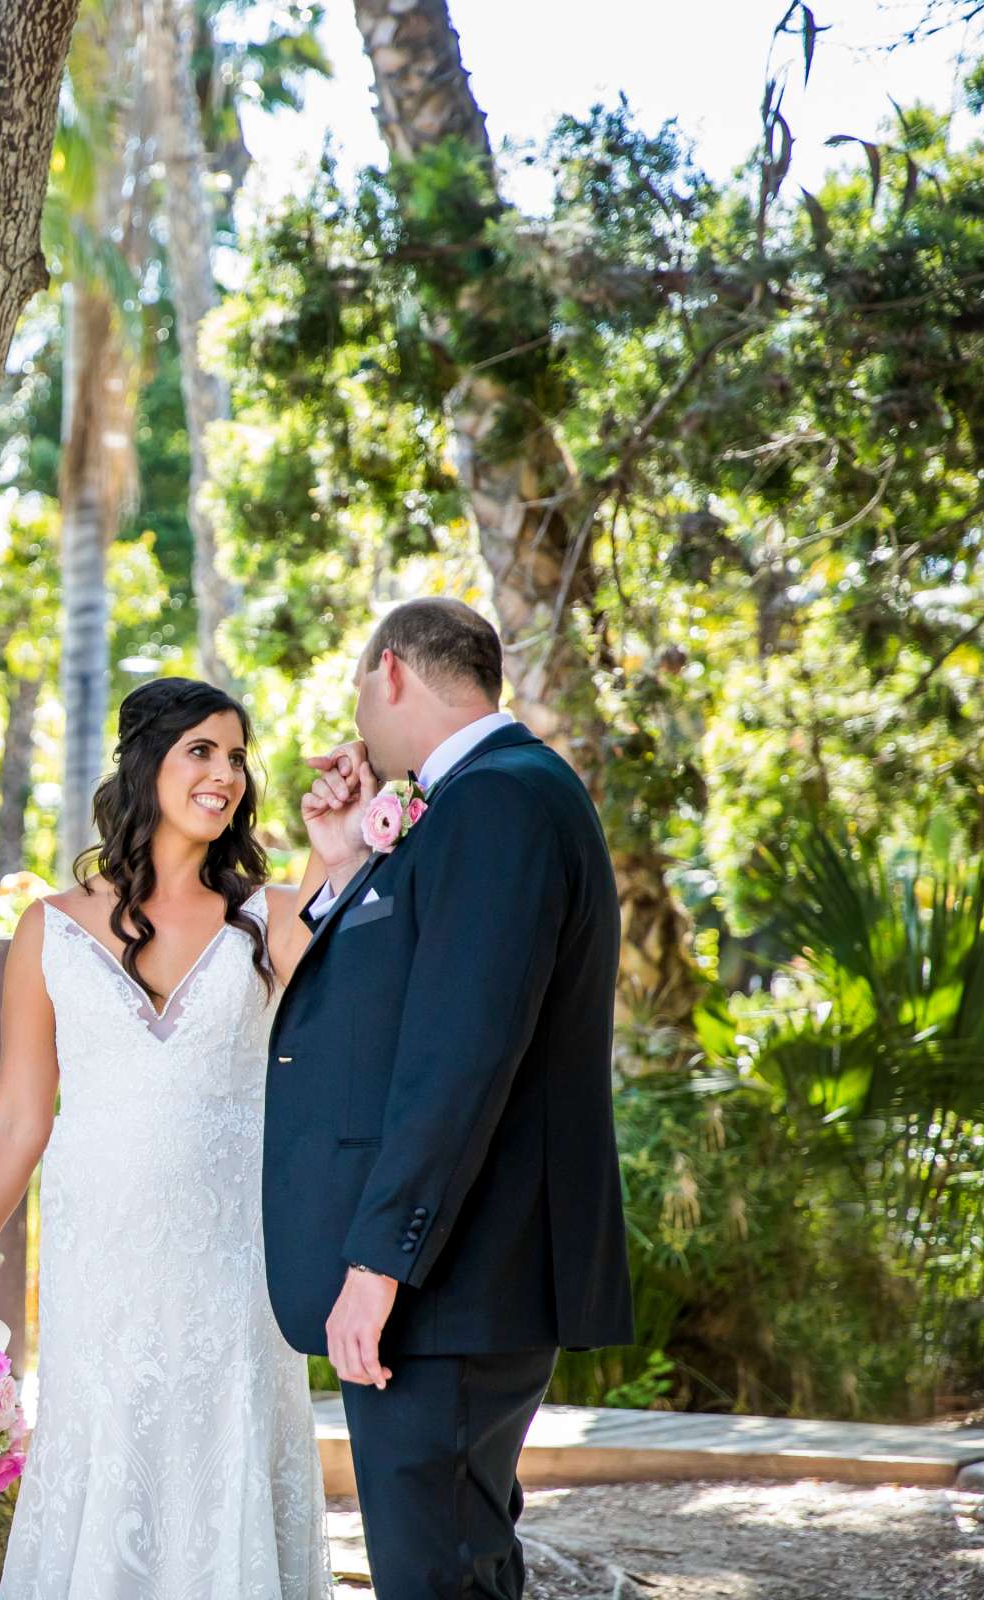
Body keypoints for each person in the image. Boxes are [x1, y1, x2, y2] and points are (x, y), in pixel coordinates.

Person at [0, 676, 333, 1599]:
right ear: (146, 762)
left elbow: (337, 1041)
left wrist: (331, 851)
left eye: (236, 758)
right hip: (98, 1265)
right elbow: (19, 1119)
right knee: (107, 1457)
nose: (225, 774)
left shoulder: (269, 916)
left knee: (223, 1455)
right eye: (202, 751)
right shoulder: (49, 931)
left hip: (235, 1263)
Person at [271, 597, 634, 1599]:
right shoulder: (483, 798)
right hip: (458, 1282)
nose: (358, 712)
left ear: (391, 670)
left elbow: (461, 1056)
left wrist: (379, 1261)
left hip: (454, 1283)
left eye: (357, 686)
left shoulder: (499, 801)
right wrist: (346, 856)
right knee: (447, 1560)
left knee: (439, 1574)